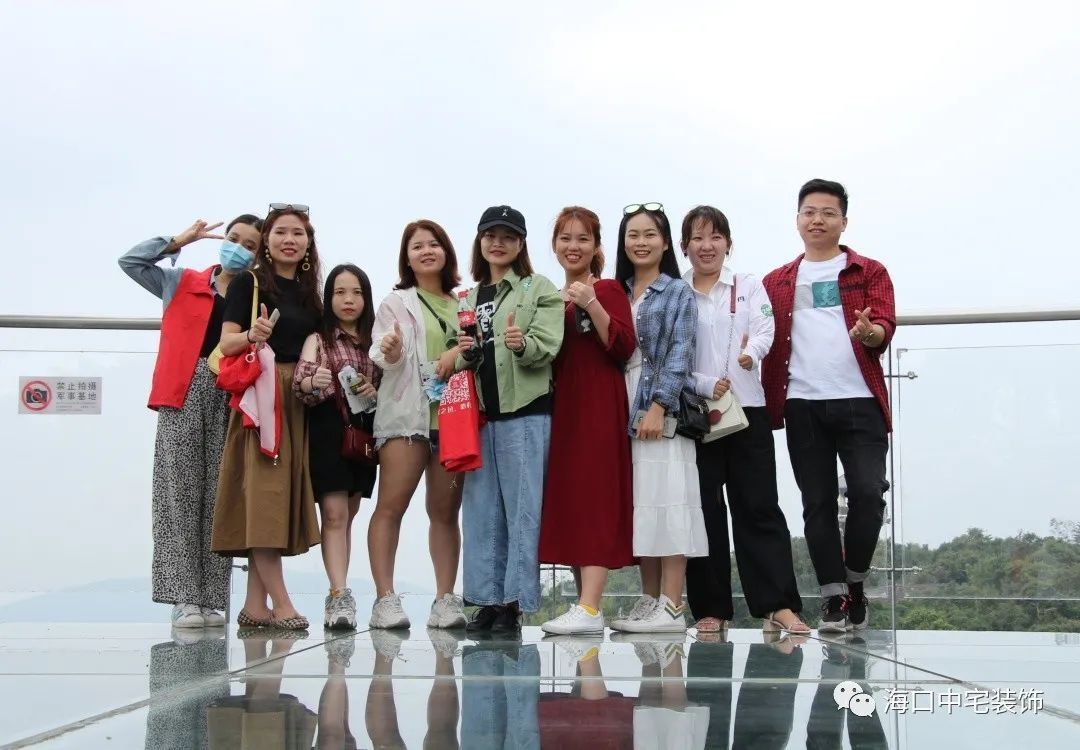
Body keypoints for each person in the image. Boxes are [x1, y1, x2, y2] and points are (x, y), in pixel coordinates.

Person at [761, 179, 896, 632]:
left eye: (828, 212)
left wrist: (869, 333)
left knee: (868, 494)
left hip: (860, 400)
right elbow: (760, 334)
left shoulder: (868, 271)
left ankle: (855, 580)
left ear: (844, 221)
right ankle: (833, 597)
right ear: (798, 219)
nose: (817, 220)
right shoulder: (777, 281)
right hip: (802, 402)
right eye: (809, 212)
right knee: (816, 503)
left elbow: (884, 325)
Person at [119, 214, 262, 628]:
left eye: (249, 245)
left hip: (232, 392)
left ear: (258, 256)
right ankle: (184, 597)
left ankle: (212, 598)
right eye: (233, 238)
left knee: (221, 494)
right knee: (178, 493)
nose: (238, 248)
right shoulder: (181, 281)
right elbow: (131, 262)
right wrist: (176, 241)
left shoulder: (255, 295)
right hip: (181, 390)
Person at [680, 205, 809, 635]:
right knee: (705, 511)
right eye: (698, 238)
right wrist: (703, 382)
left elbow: (765, 330)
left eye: (715, 237)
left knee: (758, 507)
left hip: (747, 409)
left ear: (728, 243)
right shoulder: (677, 293)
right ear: (684, 247)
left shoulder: (748, 285)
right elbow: (670, 353)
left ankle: (777, 605)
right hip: (697, 414)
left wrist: (750, 354)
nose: (707, 246)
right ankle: (710, 608)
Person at [211, 204, 323, 631]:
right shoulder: (249, 282)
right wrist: (251, 334)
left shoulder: (311, 294)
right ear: (267, 241)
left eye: (298, 233)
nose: (289, 240)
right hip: (262, 398)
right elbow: (227, 342)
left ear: (308, 243)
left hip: (297, 398)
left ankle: (255, 605)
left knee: (273, 497)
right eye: (280, 232)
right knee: (265, 497)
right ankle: (283, 603)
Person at [456, 205, 564, 633]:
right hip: (482, 417)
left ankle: (514, 602)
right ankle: (486, 600)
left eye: (507, 236)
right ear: (480, 242)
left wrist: (522, 345)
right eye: (490, 236)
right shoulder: (467, 297)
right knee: (481, 510)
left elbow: (549, 344)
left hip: (526, 411)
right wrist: (462, 350)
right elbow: (457, 352)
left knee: (522, 509)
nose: (497, 243)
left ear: (520, 244)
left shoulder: (538, 288)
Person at [609, 203, 707, 634]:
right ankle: (649, 600)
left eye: (650, 234)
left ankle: (671, 605)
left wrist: (659, 405)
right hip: (623, 401)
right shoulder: (619, 290)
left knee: (670, 499)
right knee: (643, 503)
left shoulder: (677, 291)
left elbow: (681, 353)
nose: (641, 242)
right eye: (633, 235)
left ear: (666, 243)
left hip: (659, 405)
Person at [538, 206, 636, 635]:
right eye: (565, 238)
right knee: (574, 501)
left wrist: (590, 302)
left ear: (596, 246)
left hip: (598, 404)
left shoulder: (608, 289)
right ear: (554, 246)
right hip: (563, 408)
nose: (573, 246)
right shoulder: (549, 299)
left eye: (583, 239)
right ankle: (585, 606)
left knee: (595, 498)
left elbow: (624, 345)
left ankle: (591, 607)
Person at [367, 219, 469, 630]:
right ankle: (385, 599)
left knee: (445, 512)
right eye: (417, 246)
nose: (426, 251)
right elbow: (383, 353)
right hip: (406, 418)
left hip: (453, 419)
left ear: (446, 251)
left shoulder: (463, 302)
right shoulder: (396, 302)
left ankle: (445, 598)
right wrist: (391, 349)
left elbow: (474, 350)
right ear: (406, 258)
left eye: (433, 244)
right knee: (391, 506)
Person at [293, 264, 381, 630]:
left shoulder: (376, 340)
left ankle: (340, 591)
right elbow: (299, 385)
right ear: (328, 298)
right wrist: (314, 380)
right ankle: (338, 595)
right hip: (329, 430)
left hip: (363, 435)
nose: (349, 300)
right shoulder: (319, 339)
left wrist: (374, 390)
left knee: (347, 515)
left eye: (357, 292)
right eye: (340, 292)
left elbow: (386, 388)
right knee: (333, 515)